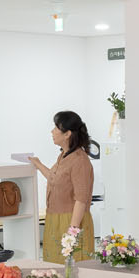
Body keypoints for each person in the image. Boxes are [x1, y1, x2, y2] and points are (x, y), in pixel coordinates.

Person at [30, 109, 96, 263]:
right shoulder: (64, 156)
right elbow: (55, 179)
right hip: (55, 221)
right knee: (56, 267)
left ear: (67, 134)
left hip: (71, 222)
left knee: (73, 268)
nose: (52, 131)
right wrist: (38, 164)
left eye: (56, 127)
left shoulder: (80, 160)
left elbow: (81, 199)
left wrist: (72, 232)